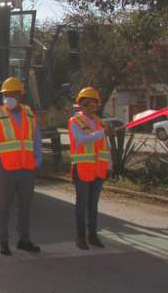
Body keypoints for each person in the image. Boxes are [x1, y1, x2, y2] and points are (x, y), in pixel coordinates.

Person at [0, 77, 43, 256]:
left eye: (12, 94)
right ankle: (3, 241)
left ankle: (24, 240)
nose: (8, 98)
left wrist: (37, 161)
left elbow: (36, 138)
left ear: (21, 95)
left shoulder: (29, 113)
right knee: (3, 205)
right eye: (5, 95)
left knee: (25, 206)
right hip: (5, 168)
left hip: (27, 168)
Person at [68, 87, 112, 250]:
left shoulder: (100, 122)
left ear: (96, 105)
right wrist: (102, 134)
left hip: (98, 170)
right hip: (82, 170)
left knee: (93, 205)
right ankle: (81, 238)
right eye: (86, 103)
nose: (89, 106)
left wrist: (109, 165)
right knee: (82, 204)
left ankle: (92, 236)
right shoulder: (75, 122)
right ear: (80, 104)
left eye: (92, 103)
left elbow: (105, 147)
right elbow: (81, 140)